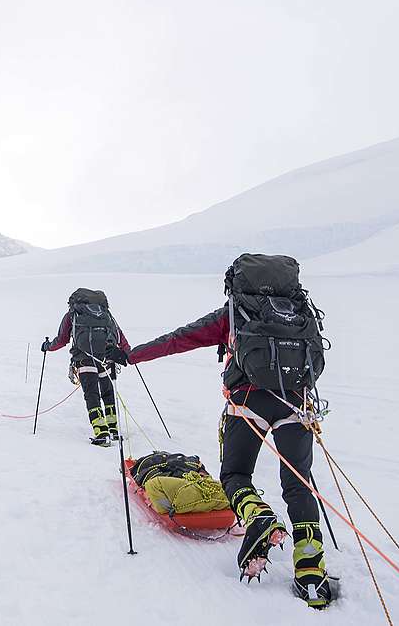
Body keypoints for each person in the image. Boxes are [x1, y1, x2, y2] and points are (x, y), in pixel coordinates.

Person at [118, 254, 332, 608]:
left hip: (247, 403)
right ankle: (311, 568)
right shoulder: (299, 311)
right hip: (297, 405)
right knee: (299, 482)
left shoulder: (234, 313)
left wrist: (131, 355)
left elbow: (178, 339)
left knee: (235, 474)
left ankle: (257, 516)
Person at [41, 288, 131, 446]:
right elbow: (119, 335)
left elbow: (62, 340)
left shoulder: (73, 314)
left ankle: (101, 432)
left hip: (84, 359)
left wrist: (47, 346)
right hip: (108, 357)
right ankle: (114, 429)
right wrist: (128, 353)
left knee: (91, 394)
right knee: (108, 393)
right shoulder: (106, 314)